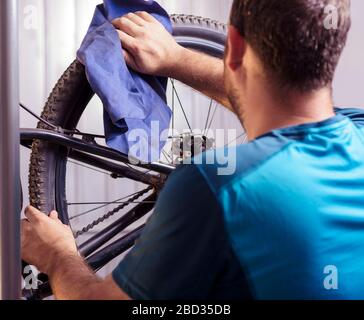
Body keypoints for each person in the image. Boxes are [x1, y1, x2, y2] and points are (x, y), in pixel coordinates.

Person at [22, 0, 364, 300]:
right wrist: (176, 58)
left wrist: (56, 255)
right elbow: (287, 104)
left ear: (233, 47)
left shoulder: (217, 187)